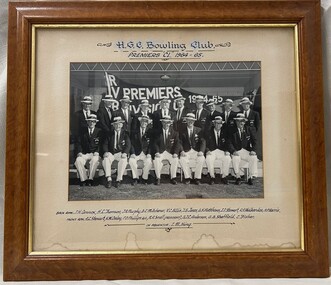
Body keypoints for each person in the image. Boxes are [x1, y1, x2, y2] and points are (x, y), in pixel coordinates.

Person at [227, 113, 258, 185]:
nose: (240, 123)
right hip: (236, 151)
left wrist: (253, 150)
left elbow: (255, 141)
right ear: (236, 122)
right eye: (238, 121)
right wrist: (233, 151)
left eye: (242, 121)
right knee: (235, 158)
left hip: (246, 151)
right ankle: (238, 177)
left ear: (244, 122)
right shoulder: (231, 130)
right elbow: (229, 143)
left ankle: (250, 177)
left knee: (253, 157)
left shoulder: (249, 129)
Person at [102, 116, 131, 188]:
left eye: (119, 124)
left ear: (121, 125)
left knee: (124, 160)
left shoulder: (125, 133)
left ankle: (119, 179)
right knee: (105, 159)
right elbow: (104, 144)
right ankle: (109, 179)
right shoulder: (109, 133)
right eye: (116, 124)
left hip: (120, 153)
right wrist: (105, 152)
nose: (118, 126)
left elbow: (128, 145)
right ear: (113, 125)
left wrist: (125, 153)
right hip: (111, 153)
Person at [152, 115, 181, 185]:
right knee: (156, 159)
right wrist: (157, 152)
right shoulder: (157, 132)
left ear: (170, 123)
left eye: (167, 123)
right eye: (164, 123)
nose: (166, 124)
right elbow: (154, 143)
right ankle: (158, 178)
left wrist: (175, 153)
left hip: (170, 152)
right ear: (162, 123)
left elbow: (178, 144)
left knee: (175, 159)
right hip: (161, 152)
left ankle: (173, 178)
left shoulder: (175, 133)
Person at [74, 114, 102, 187]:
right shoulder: (82, 131)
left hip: (94, 154)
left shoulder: (100, 131)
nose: (91, 123)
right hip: (85, 153)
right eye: (90, 121)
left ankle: (90, 179)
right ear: (87, 122)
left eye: (93, 122)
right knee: (78, 160)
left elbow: (101, 144)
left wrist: (97, 151)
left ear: (95, 122)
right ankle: (83, 179)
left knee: (95, 160)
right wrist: (79, 152)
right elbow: (78, 143)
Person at [179, 113, 206, 185]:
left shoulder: (199, 130)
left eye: (192, 121)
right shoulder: (182, 131)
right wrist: (181, 150)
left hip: (196, 151)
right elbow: (179, 142)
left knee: (201, 158)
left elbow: (203, 141)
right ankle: (188, 177)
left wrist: (201, 151)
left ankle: (197, 178)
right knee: (182, 159)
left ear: (194, 122)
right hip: (186, 151)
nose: (190, 122)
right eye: (189, 120)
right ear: (186, 121)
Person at [205, 116, 232, 185]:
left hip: (221, 151)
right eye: (216, 123)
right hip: (212, 151)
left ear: (221, 124)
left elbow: (228, 143)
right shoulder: (208, 132)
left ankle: (224, 176)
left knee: (227, 158)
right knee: (208, 158)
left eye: (219, 123)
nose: (218, 125)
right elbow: (205, 143)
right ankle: (212, 177)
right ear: (213, 123)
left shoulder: (225, 132)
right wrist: (207, 150)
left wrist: (227, 150)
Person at [128, 115, 153, 185]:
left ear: (147, 123)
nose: (144, 123)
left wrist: (149, 153)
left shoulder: (150, 132)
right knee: (131, 161)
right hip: (136, 152)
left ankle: (144, 178)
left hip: (145, 153)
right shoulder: (135, 131)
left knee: (149, 162)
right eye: (142, 121)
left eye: (145, 122)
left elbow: (151, 144)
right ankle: (135, 178)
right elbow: (131, 144)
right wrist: (132, 153)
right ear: (140, 122)